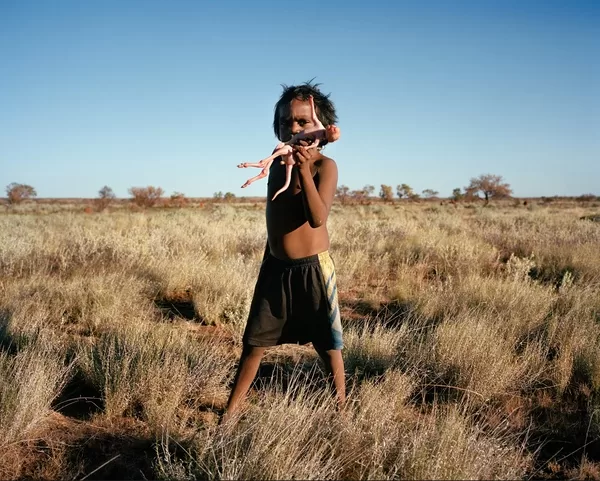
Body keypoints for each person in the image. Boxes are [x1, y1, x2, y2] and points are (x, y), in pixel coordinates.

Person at [224, 81, 345, 421]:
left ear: (320, 125)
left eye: (302, 122)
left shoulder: (325, 166)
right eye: (285, 122)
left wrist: (305, 169)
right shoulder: (277, 164)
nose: (292, 128)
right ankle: (229, 415)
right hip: (275, 266)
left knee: (327, 346)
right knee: (254, 344)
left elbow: (317, 216)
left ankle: (341, 412)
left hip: (312, 269)